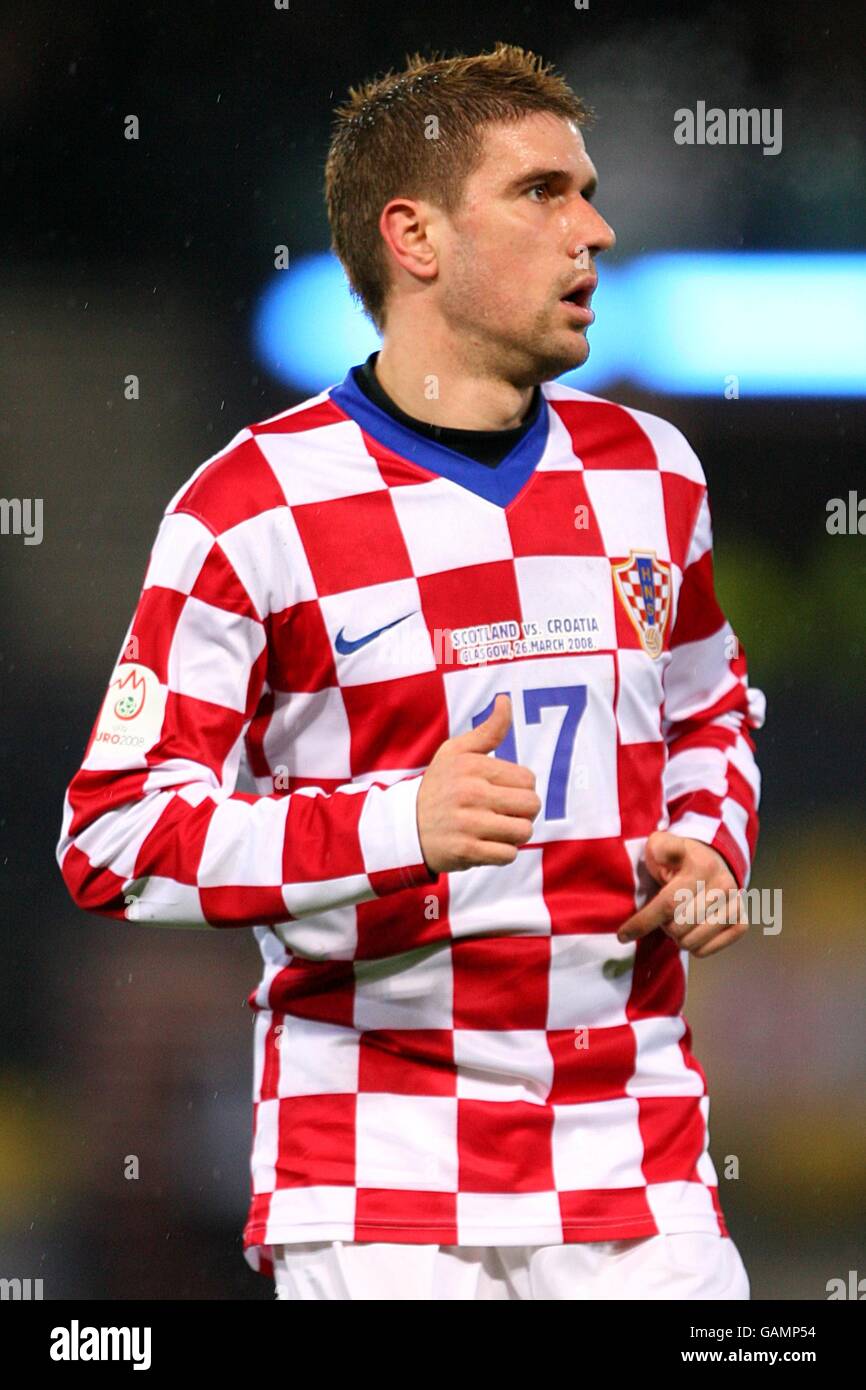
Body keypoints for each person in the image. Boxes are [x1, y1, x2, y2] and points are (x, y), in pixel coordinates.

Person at [56, 43, 765, 1300]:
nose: (593, 230)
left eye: (587, 191)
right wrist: (398, 824)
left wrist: (709, 840)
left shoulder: (649, 473)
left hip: (636, 1161)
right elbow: (114, 838)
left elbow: (708, 703)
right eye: (543, 193)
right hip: (375, 1179)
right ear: (414, 237)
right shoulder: (252, 506)